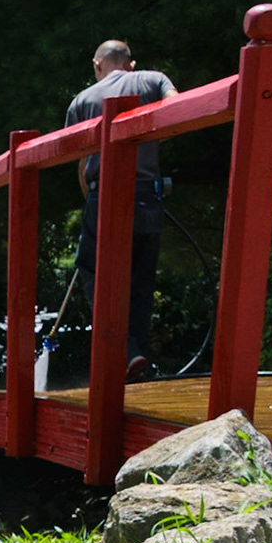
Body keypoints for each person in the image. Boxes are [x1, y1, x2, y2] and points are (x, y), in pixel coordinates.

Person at [65, 40, 177, 383]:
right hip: (148, 198)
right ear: (131, 63)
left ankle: (127, 351)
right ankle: (137, 360)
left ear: (98, 64)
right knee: (141, 282)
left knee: (94, 274)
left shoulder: (82, 100)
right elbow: (177, 106)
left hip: (105, 199)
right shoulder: (153, 79)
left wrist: (90, 200)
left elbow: (82, 162)